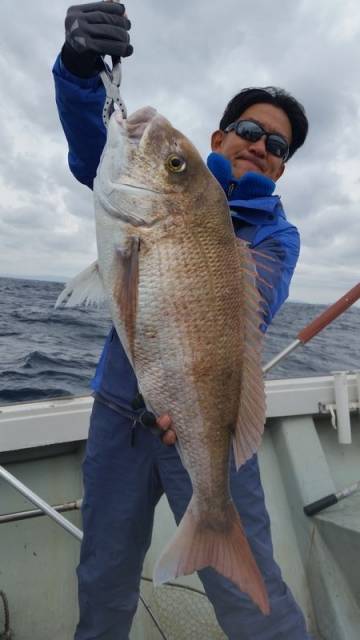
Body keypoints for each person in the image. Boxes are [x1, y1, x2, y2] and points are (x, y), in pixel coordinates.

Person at [53, 3, 311, 639]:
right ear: (218, 137)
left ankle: (215, 529)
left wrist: (202, 203)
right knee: (104, 573)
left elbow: (251, 310)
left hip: (208, 419)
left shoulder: (277, 235)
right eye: (249, 129)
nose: (260, 144)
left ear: (281, 167)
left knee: (255, 601)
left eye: (277, 145)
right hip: (120, 415)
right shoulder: (150, 194)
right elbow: (97, 153)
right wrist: (80, 70)